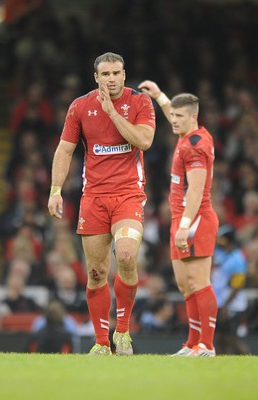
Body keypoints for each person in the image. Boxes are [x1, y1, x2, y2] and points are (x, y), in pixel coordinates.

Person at [48, 52, 156, 356]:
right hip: (93, 198)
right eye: (105, 74)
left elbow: (144, 141)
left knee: (125, 256)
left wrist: (112, 111)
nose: (111, 79)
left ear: (124, 75)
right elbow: (65, 150)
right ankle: (100, 342)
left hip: (128, 195)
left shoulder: (140, 103)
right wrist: (55, 189)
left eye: (117, 73)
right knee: (95, 273)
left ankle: (122, 332)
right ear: (96, 77)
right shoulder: (80, 107)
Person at [138, 80, 219, 356]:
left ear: (193, 117)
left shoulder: (196, 145)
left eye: (179, 116)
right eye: (172, 114)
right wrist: (160, 96)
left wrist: (185, 226)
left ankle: (206, 345)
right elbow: (173, 112)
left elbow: (196, 190)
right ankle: (192, 343)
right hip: (181, 220)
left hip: (195, 220)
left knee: (199, 282)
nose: (173, 120)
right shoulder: (187, 136)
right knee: (186, 286)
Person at [212, 224, 249, 354]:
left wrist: (226, 306)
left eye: (221, 238)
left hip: (233, 305)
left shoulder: (237, 258)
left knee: (233, 338)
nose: (217, 240)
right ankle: (224, 364)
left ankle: (248, 362)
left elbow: (237, 286)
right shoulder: (221, 253)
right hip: (220, 302)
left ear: (228, 240)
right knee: (221, 338)